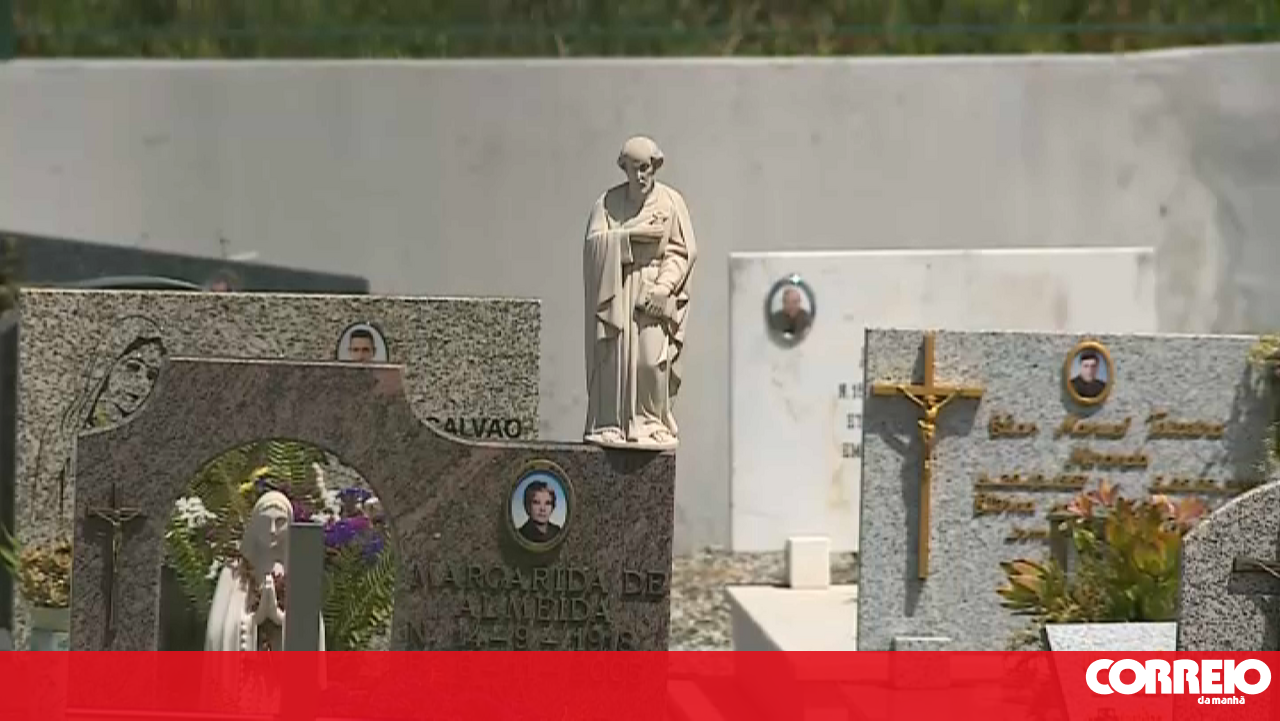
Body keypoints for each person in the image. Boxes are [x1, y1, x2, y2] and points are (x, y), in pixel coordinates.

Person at [582, 136, 698, 450]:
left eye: (645, 168)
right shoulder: (607, 204)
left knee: (650, 361)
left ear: (655, 166)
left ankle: (652, 421)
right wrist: (628, 239)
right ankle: (610, 422)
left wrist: (664, 287)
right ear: (624, 169)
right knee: (615, 360)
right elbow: (593, 247)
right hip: (616, 289)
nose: (639, 175)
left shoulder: (671, 202)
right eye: (633, 169)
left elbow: (682, 251)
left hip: (653, 288)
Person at [205, 491, 326, 651]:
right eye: (265, 521)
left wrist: (278, 616)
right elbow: (217, 632)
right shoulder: (234, 571)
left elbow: (312, 631)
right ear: (255, 524)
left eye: (280, 522)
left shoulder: (299, 571)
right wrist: (256, 618)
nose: (272, 529)